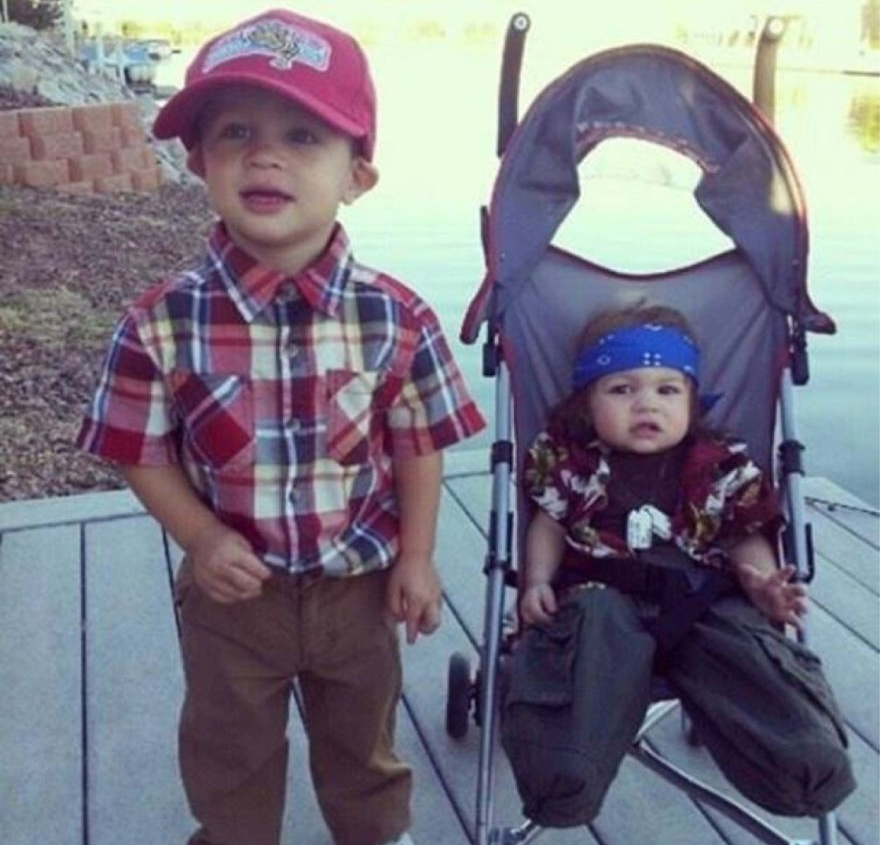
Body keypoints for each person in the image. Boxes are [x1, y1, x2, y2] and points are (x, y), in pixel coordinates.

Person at [76, 9, 485, 845]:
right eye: (236, 132)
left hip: (358, 588)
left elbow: (417, 443)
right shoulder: (161, 319)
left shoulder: (395, 315)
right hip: (235, 594)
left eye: (304, 136)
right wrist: (196, 534)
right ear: (199, 162)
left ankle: (376, 834)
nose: (265, 154)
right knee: (230, 749)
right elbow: (137, 450)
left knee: (362, 741)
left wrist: (415, 554)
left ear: (357, 175)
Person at [500, 303, 855, 828]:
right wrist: (535, 583)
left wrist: (760, 585)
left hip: (702, 601)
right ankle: (564, 775)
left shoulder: (721, 462)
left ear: (691, 400)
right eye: (621, 390)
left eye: (667, 390)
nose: (646, 403)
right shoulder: (569, 460)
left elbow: (744, 534)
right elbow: (547, 525)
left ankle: (800, 755)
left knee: (745, 643)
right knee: (584, 638)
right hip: (599, 602)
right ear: (586, 403)